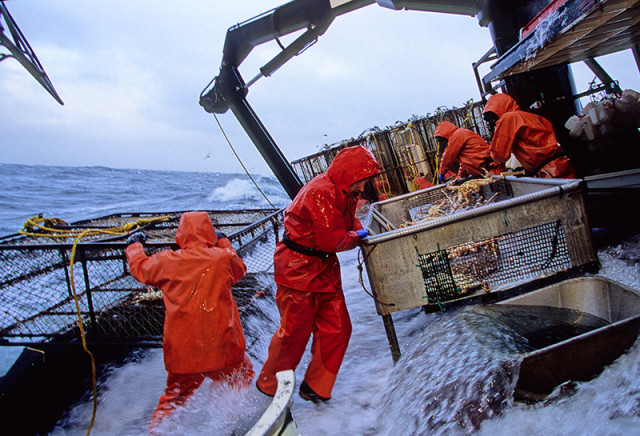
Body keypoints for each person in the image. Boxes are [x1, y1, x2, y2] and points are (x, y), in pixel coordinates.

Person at [256, 145, 381, 403]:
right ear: (350, 175)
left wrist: (358, 230)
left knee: (338, 328)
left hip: (323, 268)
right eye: (363, 180)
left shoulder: (345, 188)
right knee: (294, 330)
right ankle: (269, 385)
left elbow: (349, 220)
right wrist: (358, 237)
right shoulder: (321, 192)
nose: (364, 186)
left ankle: (315, 387)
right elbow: (331, 241)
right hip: (298, 269)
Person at [126, 211, 254, 431]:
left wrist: (134, 244)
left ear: (180, 235)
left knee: (174, 398)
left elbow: (140, 268)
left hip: (183, 353)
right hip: (223, 347)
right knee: (240, 376)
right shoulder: (222, 257)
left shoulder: (166, 260)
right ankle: (231, 422)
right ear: (208, 232)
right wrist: (222, 240)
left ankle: (160, 432)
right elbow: (239, 269)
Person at [483, 93, 576, 178]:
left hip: (550, 172)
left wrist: (490, 155)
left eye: (493, 117)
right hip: (561, 164)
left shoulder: (508, 118)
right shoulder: (531, 116)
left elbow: (500, 155)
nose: (494, 121)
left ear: (498, 110)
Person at [434, 120, 504, 183]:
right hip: (485, 172)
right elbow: (465, 162)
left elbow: (448, 156)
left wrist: (442, 172)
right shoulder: (460, 134)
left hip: (491, 169)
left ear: (445, 133)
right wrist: (460, 178)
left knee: (500, 189)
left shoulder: (457, 135)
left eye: (442, 139)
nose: (444, 141)